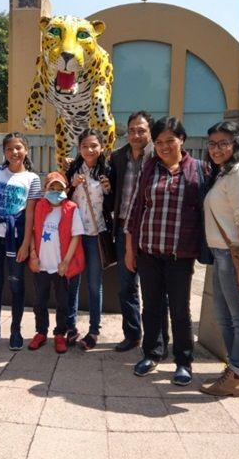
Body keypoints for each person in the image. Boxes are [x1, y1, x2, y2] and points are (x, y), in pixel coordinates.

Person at [126, 116, 203, 385]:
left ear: (182, 140)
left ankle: (183, 361)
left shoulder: (197, 170)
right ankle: (153, 352)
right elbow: (135, 210)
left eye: (170, 140)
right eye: (159, 142)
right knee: (151, 306)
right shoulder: (149, 169)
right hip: (148, 251)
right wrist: (130, 249)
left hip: (179, 254)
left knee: (180, 309)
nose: (164, 146)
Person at [200, 121, 239, 397]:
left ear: (236, 144)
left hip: (234, 254)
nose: (216, 149)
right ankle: (238, 372)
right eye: (212, 144)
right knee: (225, 318)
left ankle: (235, 375)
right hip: (222, 254)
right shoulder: (225, 172)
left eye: (223, 143)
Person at [0, 133, 41, 351]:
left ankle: (16, 330)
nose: (14, 152)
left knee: (16, 284)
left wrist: (26, 244)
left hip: (16, 239)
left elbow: (31, 215)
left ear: (26, 150)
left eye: (18, 148)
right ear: (4, 151)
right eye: (9, 149)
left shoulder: (32, 179)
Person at [108, 111, 153, 352]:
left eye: (141, 130)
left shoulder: (158, 156)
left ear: (150, 132)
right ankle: (132, 334)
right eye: (132, 130)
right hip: (123, 229)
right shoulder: (118, 157)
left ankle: (156, 339)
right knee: (126, 286)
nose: (135, 135)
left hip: (151, 231)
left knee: (154, 289)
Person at [65, 129, 113, 351]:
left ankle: (94, 330)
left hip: (95, 234)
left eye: (94, 145)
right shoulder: (73, 169)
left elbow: (111, 205)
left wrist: (109, 190)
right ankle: (71, 327)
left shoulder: (108, 171)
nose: (89, 150)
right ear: (79, 148)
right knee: (72, 282)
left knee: (94, 285)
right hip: (75, 234)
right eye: (84, 146)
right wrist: (72, 184)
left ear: (101, 147)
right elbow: (62, 199)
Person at [27, 172, 85, 353]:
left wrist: (66, 262)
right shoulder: (39, 206)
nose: (55, 191)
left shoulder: (71, 208)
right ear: (45, 188)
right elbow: (32, 231)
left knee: (63, 302)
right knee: (39, 301)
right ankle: (41, 332)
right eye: (51, 187)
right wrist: (33, 255)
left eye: (59, 188)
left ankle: (60, 333)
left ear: (66, 190)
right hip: (42, 265)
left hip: (60, 267)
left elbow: (76, 236)